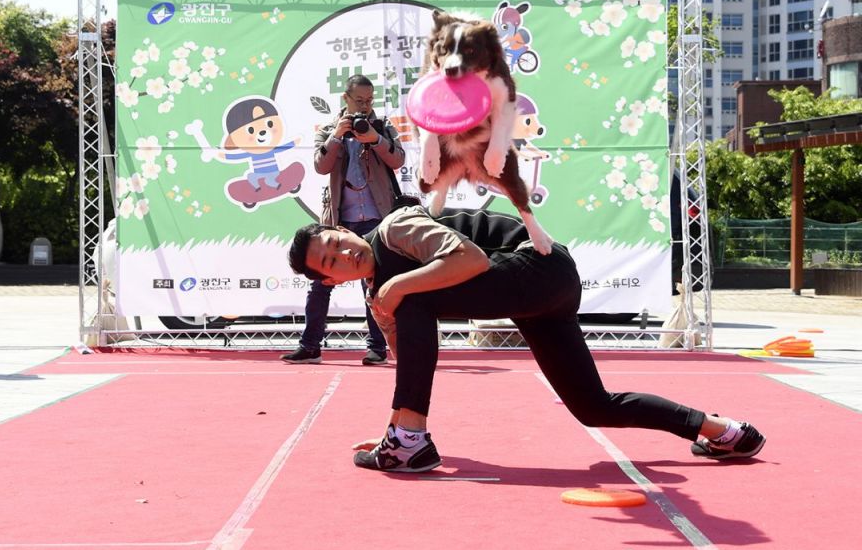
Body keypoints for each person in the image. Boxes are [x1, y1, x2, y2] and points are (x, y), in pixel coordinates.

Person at [287, 206, 765, 472]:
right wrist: (392, 424)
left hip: (539, 266)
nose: (343, 254)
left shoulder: (394, 230)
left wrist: (398, 287)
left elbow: (471, 260)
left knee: (409, 295)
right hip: (538, 301)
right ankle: (724, 431)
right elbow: (410, 356)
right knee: (594, 406)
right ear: (329, 281)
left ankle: (409, 441)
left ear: (342, 229)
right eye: (330, 262)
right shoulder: (380, 296)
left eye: (336, 242)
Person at [281, 75, 406, 366]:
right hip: (341, 219)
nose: (365, 106)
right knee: (320, 284)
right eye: (359, 100)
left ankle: (377, 348)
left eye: (369, 100)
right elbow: (321, 166)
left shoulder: (381, 126)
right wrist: (338, 135)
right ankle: (310, 346)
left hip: (377, 217)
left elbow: (398, 160)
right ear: (346, 99)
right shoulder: (329, 129)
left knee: (374, 286)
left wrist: (375, 140)